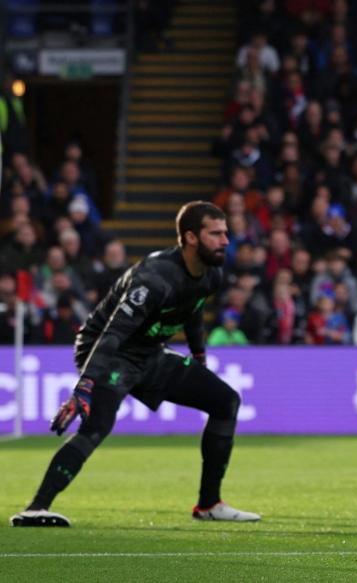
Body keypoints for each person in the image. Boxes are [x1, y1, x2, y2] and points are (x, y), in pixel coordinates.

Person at [10, 201, 260, 527]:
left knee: (226, 401)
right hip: (108, 350)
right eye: (216, 233)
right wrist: (85, 386)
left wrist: (198, 357)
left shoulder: (212, 274)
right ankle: (36, 508)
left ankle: (209, 504)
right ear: (191, 237)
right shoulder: (154, 278)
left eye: (225, 232)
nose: (226, 240)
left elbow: (193, 309)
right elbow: (112, 333)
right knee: (97, 426)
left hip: (149, 352)